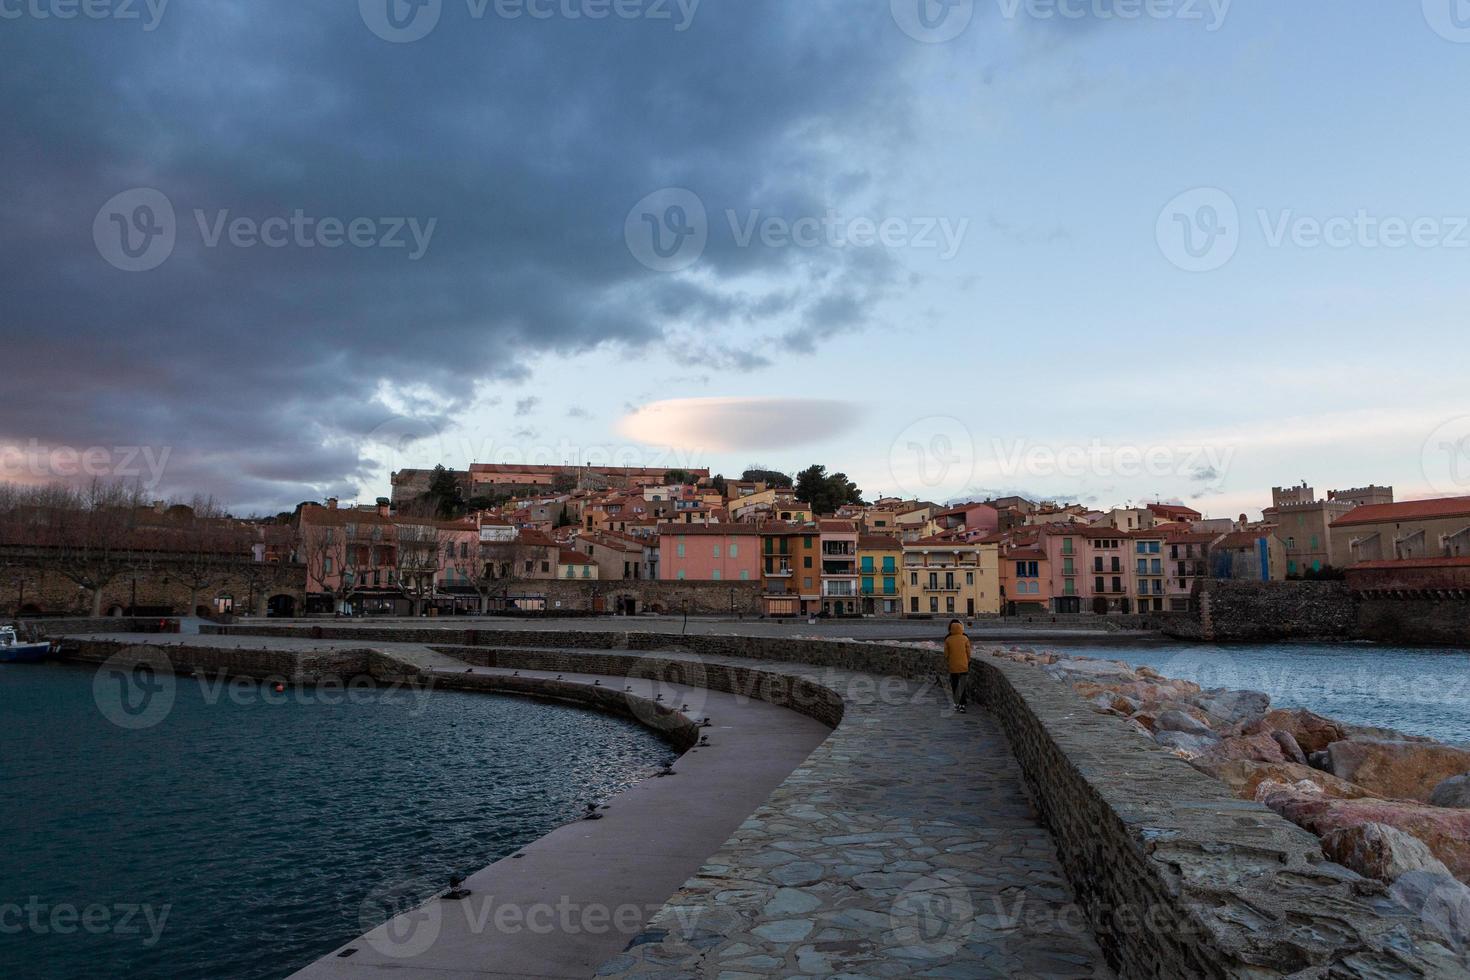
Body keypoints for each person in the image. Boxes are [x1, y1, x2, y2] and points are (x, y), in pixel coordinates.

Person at [944, 619, 971, 713]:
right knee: (963, 685)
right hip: (964, 665)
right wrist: (967, 661)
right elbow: (968, 652)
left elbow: (946, 654)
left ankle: (956, 704)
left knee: (955, 685)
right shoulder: (965, 638)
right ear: (961, 628)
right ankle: (963, 705)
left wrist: (950, 660)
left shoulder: (948, 639)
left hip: (953, 666)